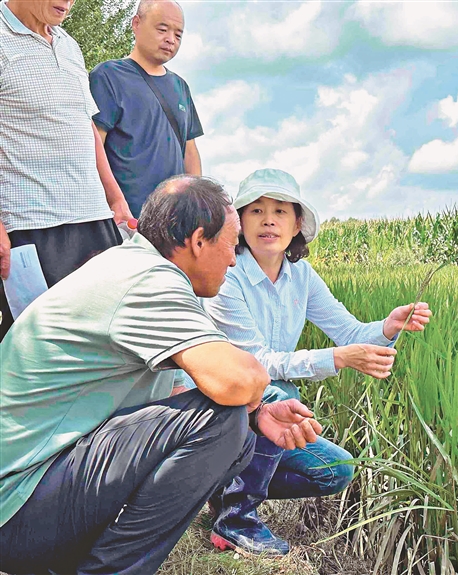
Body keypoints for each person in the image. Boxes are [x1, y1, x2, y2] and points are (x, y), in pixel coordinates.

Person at [0, 176, 322, 575]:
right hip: (15, 506)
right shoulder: (148, 280)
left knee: (237, 430)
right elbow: (238, 380)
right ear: (198, 240)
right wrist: (250, 399)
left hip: (29, 493)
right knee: (220, 422)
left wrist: (257, 415)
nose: (234, 259)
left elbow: (185, 387)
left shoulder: (131, 264)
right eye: (230, 243)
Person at [182, 168, 432, 555]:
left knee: (337, 469)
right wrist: (337, 359)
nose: (269, 220)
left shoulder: (301, 275)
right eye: (257, 211)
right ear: (240, 222)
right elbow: (257, 362)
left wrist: (387, 327)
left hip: (260, 409)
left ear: (297, 223)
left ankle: (221, 490)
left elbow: (348, 332)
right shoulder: (228, 275)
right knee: (277, 390)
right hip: (220, 404)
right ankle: (237, 518)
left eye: (281, 211)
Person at [0, 0, 133, 340]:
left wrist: (115, 198)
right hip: (31, 227)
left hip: (94, 221)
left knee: (104, 345)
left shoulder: (69, 44)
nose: (69, 2)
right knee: (35, 351)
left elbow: (84, 124)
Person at [89, 0, 204, 218]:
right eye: (162, 29)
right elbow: (94, 145)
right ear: (136, 23)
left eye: (178, 35)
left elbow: (190, 151)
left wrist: (196, 204)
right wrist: (111, 203)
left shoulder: (181, 87)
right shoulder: (108, 76)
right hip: (126, 218)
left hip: (174, 219)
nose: (170, 39)